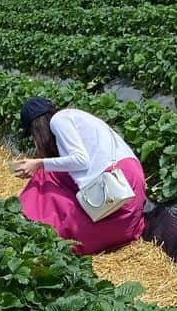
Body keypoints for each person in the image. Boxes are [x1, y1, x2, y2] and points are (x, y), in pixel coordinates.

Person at [12, 97, 146, 255]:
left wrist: (40, 163)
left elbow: (81, 161)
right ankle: (34, 219)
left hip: (117, 182)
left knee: (46, 175)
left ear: (37, 127)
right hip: (130, 187)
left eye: (33, 134)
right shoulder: (73, 117)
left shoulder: (59, 120)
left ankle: (27, 218)